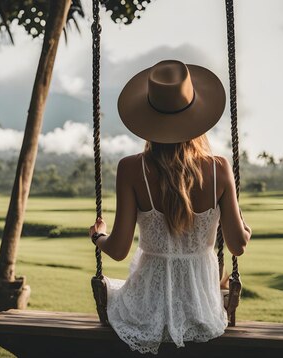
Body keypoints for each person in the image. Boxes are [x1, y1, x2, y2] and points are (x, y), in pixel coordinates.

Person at [89, 60, 251, 354]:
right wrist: (244, 227)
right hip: (202, 311)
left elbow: (118, 249)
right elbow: (237, 245)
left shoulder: (130, 168)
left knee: (113, 293)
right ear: (197, 115)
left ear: (146, 118)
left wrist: (97, 236)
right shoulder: (219, 169)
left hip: (143, 309)